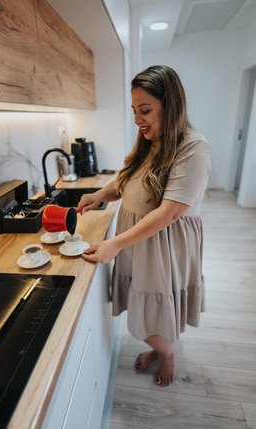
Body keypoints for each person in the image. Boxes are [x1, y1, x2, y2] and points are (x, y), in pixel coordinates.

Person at [77, 65, 211, 387]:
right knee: (144, 305)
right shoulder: (149, 141)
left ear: (171, 105)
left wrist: (117, 243)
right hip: (139, 238)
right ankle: (160, 348)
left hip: (164, 240)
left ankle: (166, 354)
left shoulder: (193, 148)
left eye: (146, 110)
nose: (138, 120)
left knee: (150, 310)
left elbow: (169, 213)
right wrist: (99, 194)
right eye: (135, 110)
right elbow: (127, 183)